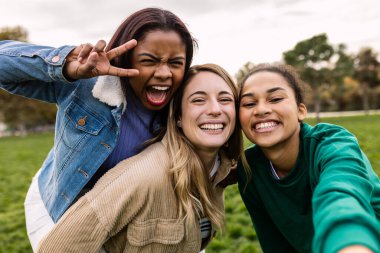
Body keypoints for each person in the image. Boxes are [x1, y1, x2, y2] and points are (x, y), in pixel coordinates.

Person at [0, 7, 197, 251]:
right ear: (126, 59)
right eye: (149, 61)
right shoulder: (86, 85)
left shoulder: (184, 108)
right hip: (61, 210)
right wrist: (65, 65)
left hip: (124, 220)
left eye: (176, 63)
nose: (164, 73)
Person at [35, 63, 242, 253]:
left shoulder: (224, 168)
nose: (215, 109)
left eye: (225, 99)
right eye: (198, 100)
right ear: (178, 116)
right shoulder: (145, 177)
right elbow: (55, 248)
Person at [237, 63, 380, 253]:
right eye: (249, 103)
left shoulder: (333, 143)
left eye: (276, 98)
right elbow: (275, 245)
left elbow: (341, 198)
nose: (261, 109)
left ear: (301, 111)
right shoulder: (249, 170)